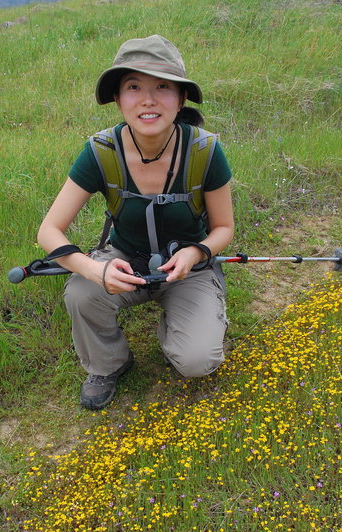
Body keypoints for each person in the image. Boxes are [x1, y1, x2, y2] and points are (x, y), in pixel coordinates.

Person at [37, 35, 234, 410]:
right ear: (118, 99)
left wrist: (196, 253)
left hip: (189, 267)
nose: (148, 99)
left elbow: (224, 227)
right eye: (133, 87)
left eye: (162, 86)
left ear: (181, 99)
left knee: (196, 362)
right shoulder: (100, 152)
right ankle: (108, 363)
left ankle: (179, 324)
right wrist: (97, 271)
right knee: (81, 293)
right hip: (124, 258)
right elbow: (49, 231)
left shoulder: (205, 150)